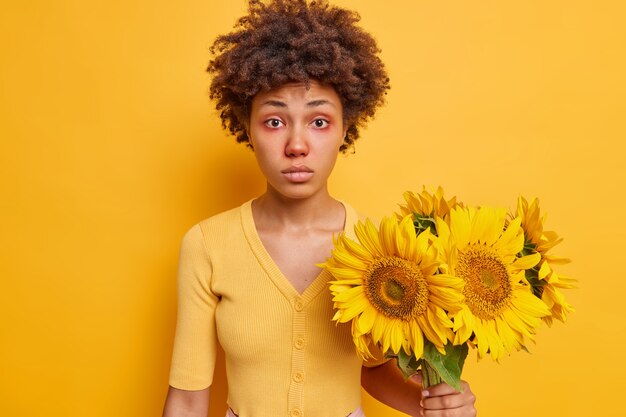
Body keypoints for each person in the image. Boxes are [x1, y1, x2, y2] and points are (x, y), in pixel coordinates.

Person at [162, 1, 477, 416]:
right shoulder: (208, 245)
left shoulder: (381, 251)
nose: (296, 145)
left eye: (319, 122)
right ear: (246, 126)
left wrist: (435, 405)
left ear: (347, 126)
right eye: (274, 121)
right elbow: (186, 400)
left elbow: (374, 368)